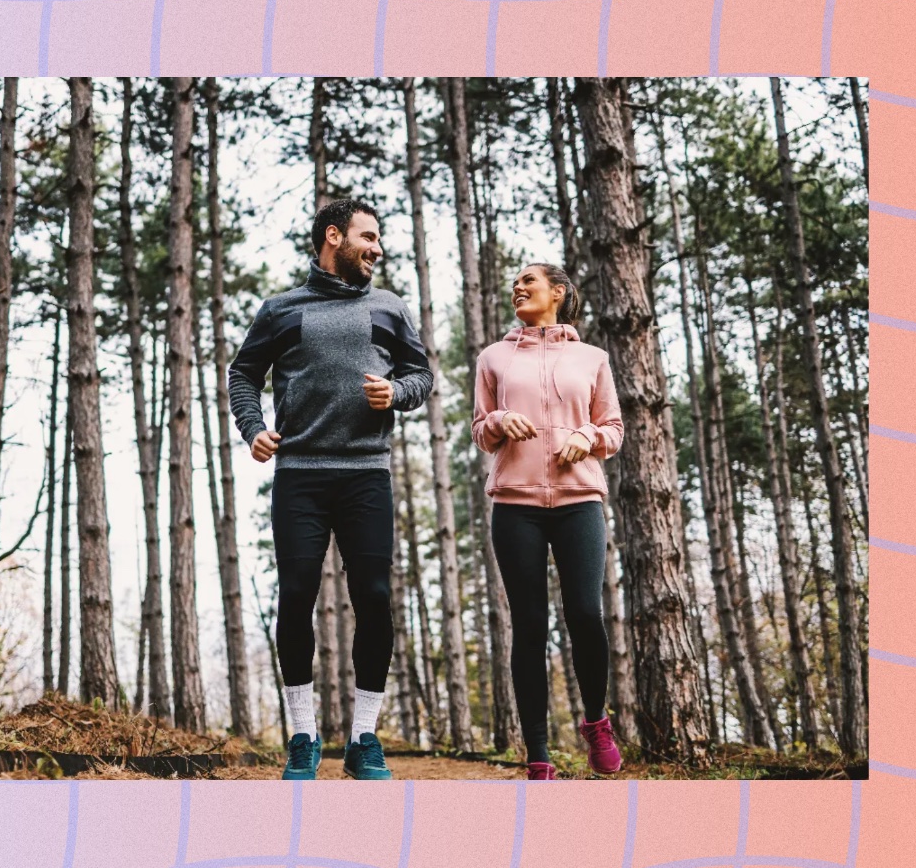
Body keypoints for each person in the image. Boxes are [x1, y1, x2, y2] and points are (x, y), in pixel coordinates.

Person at [229, 198, 434, 780]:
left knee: (373, 597)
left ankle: (363, 738)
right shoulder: (281, 309)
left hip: (367, 473)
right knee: (296, 597)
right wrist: (253, 428)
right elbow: (242, 373)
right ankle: (303, 736)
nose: (377, 248)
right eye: (368, 237)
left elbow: (420, 376)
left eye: (380, 240)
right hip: (301, 475)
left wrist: (396, 395)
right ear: (333, 236)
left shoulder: (388, 308)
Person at [471, 263, 625, 781]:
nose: (517, 287)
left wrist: (589, 436)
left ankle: (596, 722)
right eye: (513, 281)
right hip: (515, 504)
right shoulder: (493, 357)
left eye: (528, 281)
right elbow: (480, 429)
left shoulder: (592, 358)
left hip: (580, 497)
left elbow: (614, 426)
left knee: (585, 612)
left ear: (558, 293)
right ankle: (538, 754)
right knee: (530, 626)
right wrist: (496, 421)